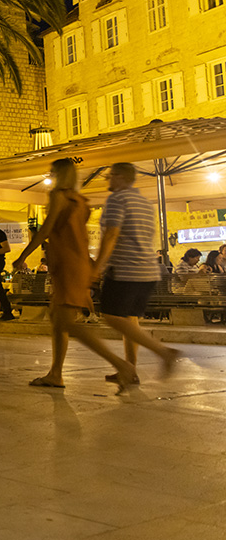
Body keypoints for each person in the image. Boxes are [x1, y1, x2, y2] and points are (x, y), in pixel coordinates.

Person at [13, 158, 138, 391]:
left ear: (60, 174)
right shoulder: (80, 201)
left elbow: (46, 231)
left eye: (53, 172)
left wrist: (23, 256)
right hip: (77, 264)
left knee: (67, 323)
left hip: (68, 265)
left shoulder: (59, 196)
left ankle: (121, 365)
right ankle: (55, 373)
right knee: (58, 320)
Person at [90, 162, 181, 385]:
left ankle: (163, 352)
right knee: (129, 320)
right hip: (148, 271)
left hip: (125, 269)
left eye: (110, 176)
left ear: (120, 177)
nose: (108, 180)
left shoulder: (117, 199)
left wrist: (96, 268)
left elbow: (111, 235)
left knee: (111, 317)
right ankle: (130, 370)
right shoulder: (144, 202)